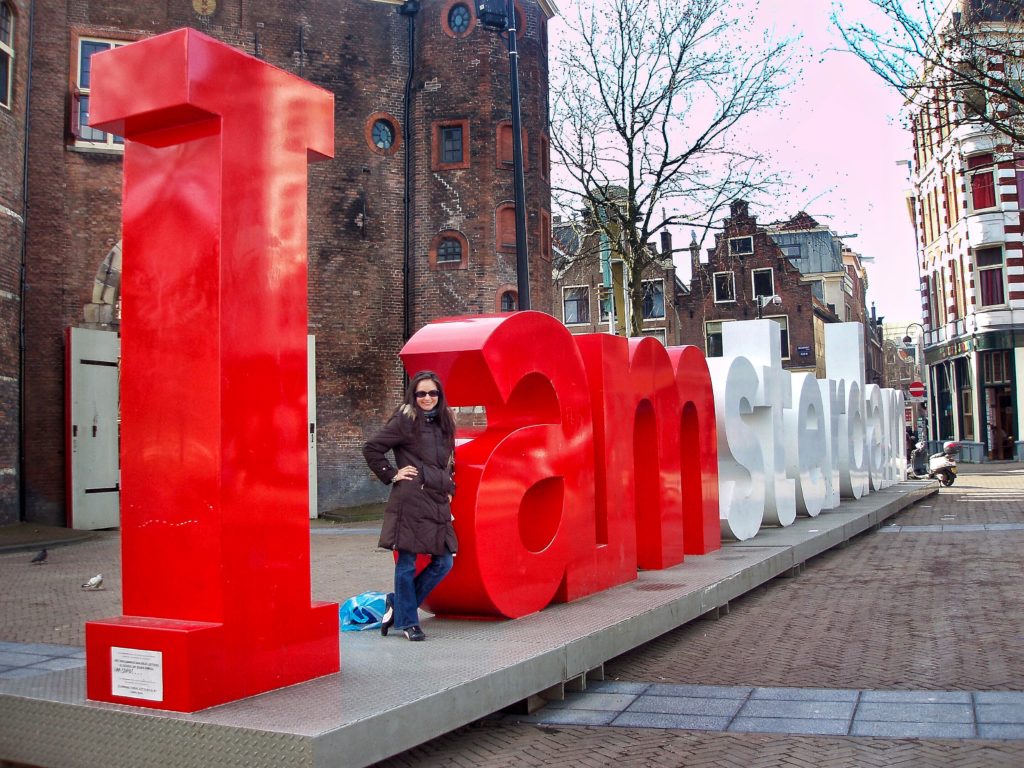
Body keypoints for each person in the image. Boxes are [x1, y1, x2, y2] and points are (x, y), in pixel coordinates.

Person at [363, 371, 457, 641]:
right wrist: (391, 473)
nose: (427, 398)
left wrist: (450, 488)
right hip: (411, 499)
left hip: (437, 499)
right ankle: (408, 622)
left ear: (439, 395)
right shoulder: (405, 420)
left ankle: (398, 603)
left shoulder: (445, 421)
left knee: (444, 561)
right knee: (406, 561)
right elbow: (372, 448)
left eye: (432, 393)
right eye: (421, 393)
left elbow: (450, 461)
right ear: (413, 396)